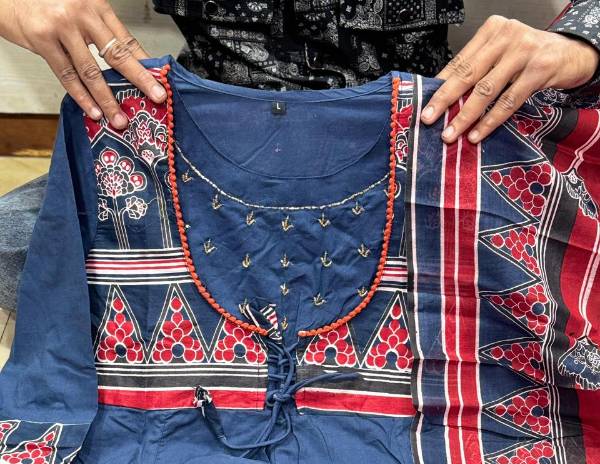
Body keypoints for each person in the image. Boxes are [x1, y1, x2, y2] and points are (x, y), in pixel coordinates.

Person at [0, 0, 599, 311]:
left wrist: (581, 40)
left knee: (561, 289)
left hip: (418, 155)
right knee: (16, 245)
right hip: (196, 155)